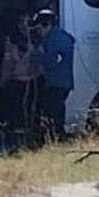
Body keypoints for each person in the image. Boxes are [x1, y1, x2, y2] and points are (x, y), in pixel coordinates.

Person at [31, 10, 75, 139]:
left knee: (56, 111)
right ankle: (55, 135)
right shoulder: (53, 38)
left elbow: (53, 61)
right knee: (53, 110)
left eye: (39, 28)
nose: (38, 32)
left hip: (58, 82)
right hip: (55, 81)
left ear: (47, 24)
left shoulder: (58, 39)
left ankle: (58, 136)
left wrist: (37, 55)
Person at [0, 11, 42, 132]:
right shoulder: (11, 41)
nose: (24, 25)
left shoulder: (38, 39)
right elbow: (7, 63)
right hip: (17, 81)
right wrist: (3, 80)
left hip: (35, 81)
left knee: (33, 108)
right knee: (16, 108)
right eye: (21, 22)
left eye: (27, 22)